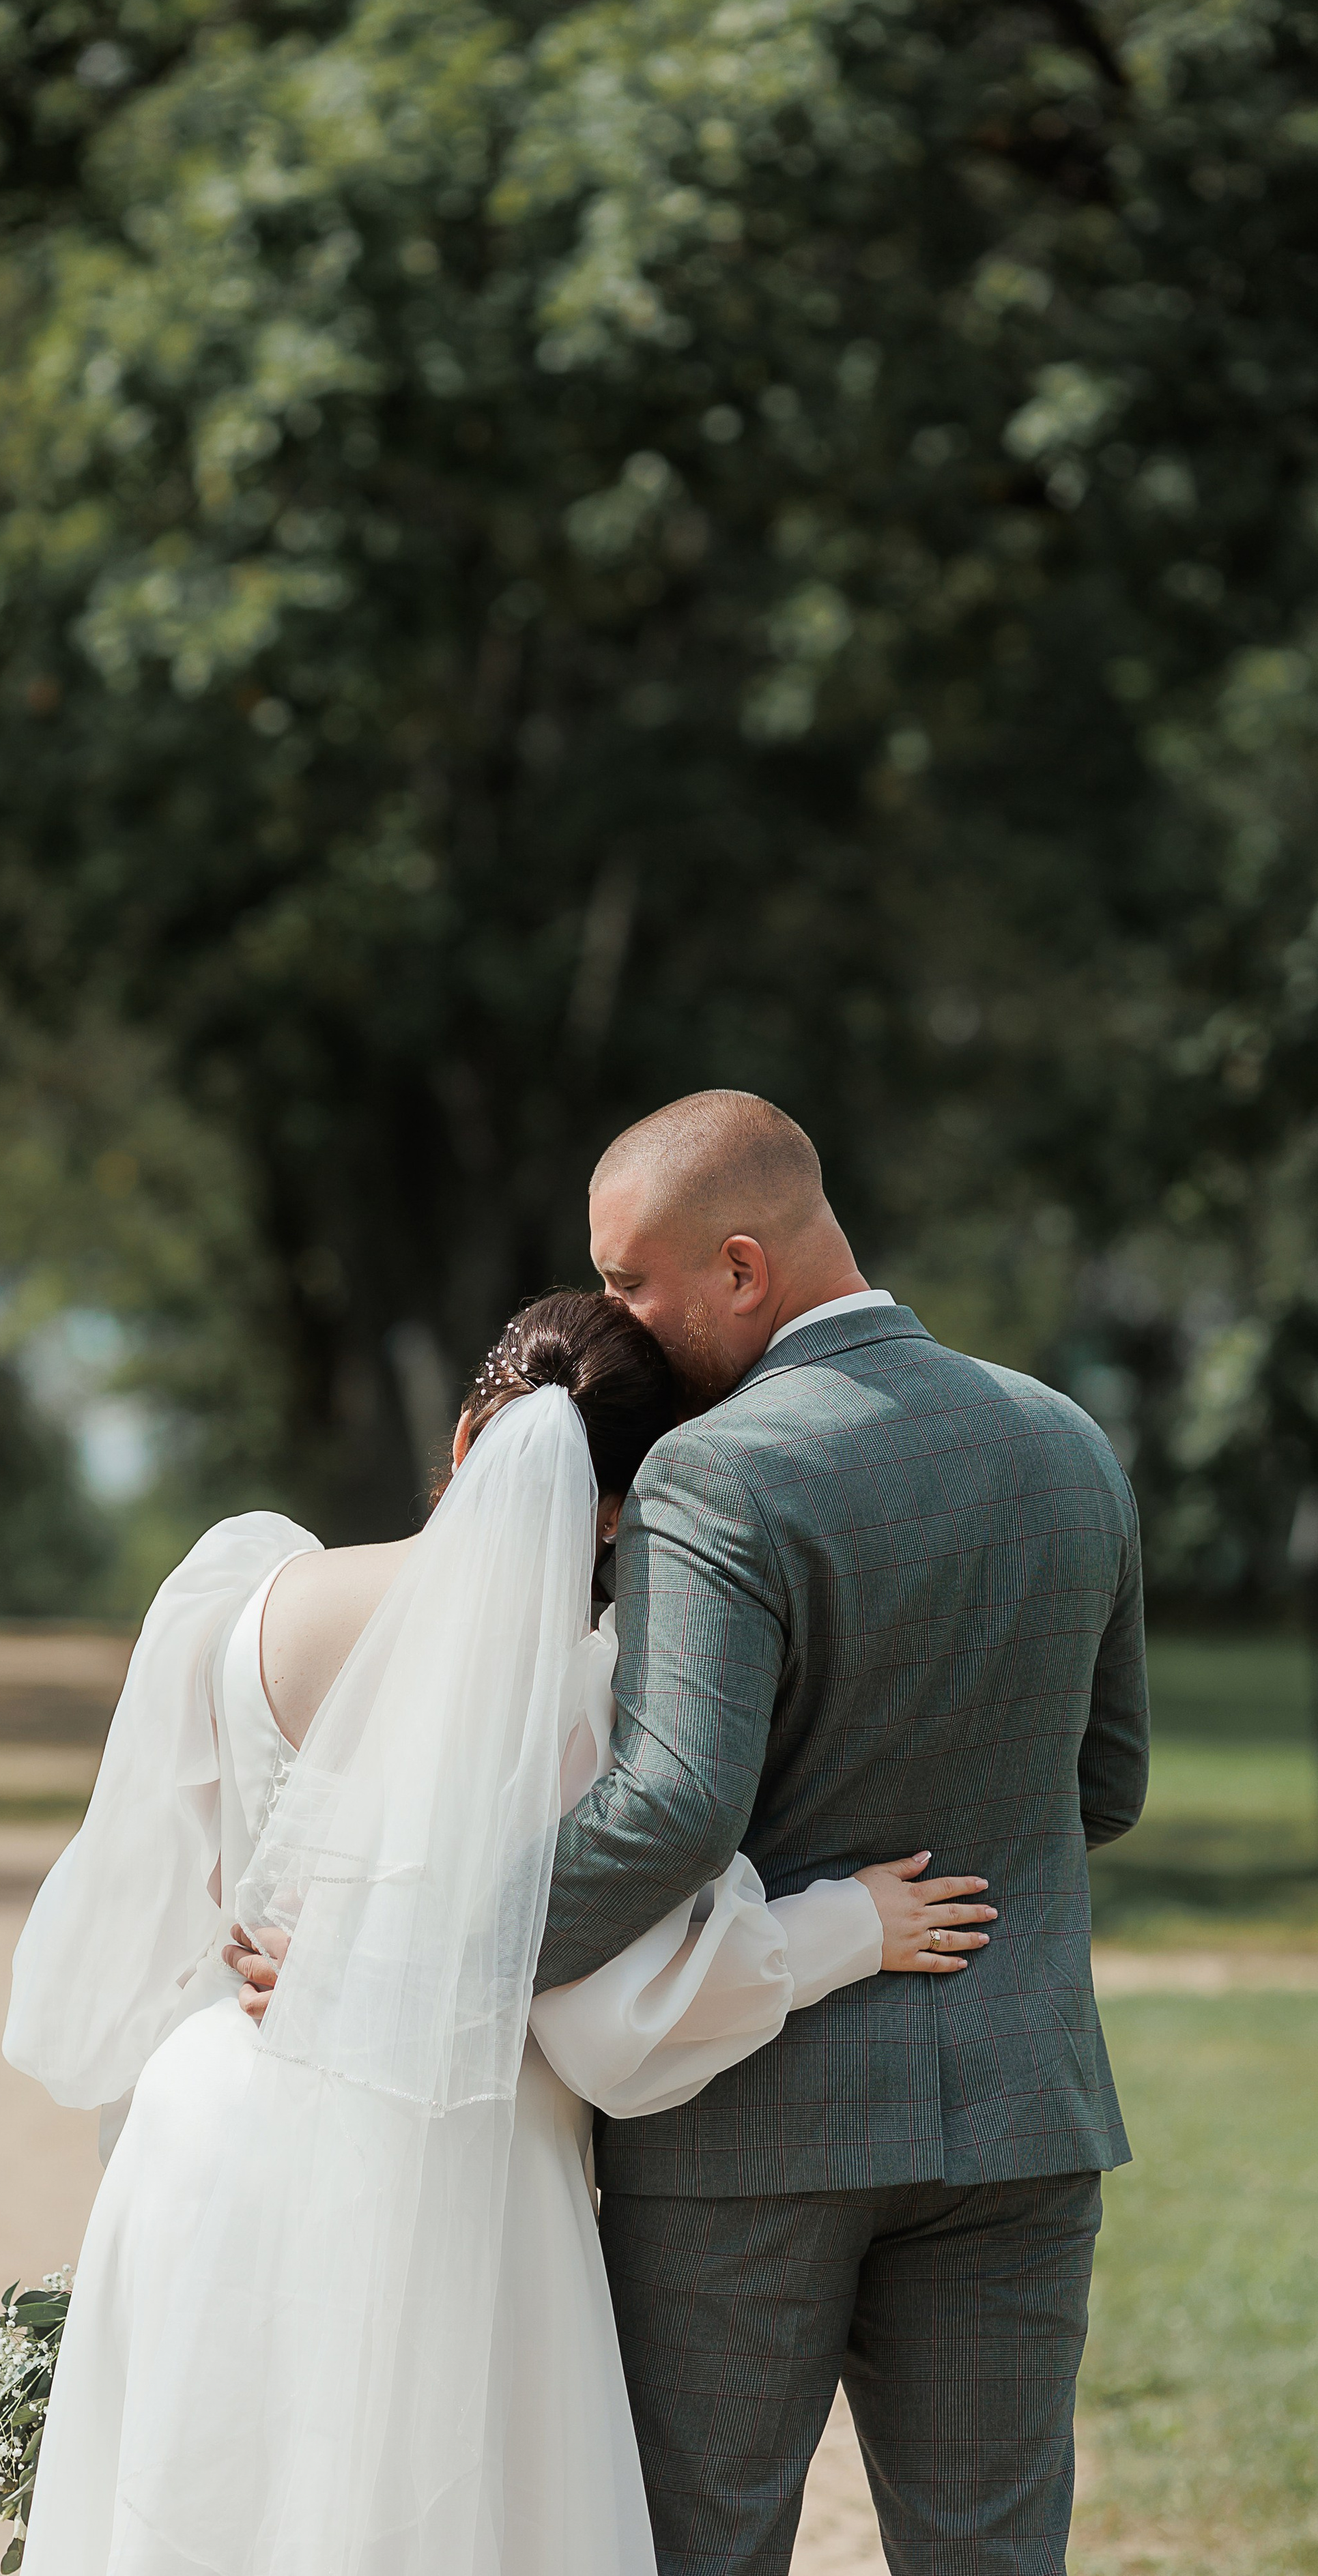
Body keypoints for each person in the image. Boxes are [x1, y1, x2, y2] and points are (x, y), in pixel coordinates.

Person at [3, 1289, 992, 2576]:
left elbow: (179, 1874)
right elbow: (615, 2012)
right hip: (456, 2155)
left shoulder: (249, 1593)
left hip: (216, 2116)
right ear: (622, 1511)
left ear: (468, 1437)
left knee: (207, 2510)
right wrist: (850, 1925)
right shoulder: (582, 1700)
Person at [524, 1089, 1150, 2575]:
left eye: (629, 1279)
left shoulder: (711, 1474)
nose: (616, 1314)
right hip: (1017, 2111)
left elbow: (671, 1808)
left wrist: (424, 1947)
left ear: (740, 1269)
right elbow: (1106, 1786)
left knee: (702, 2548)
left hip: (748, 2130)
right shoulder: (1066, 1442)